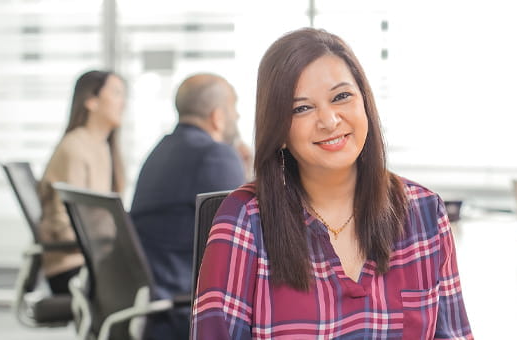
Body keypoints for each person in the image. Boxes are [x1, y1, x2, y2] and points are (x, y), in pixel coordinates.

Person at [192, 28, 473, 339]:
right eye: (301, 108)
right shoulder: (245, 220)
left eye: (341, 97)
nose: (329, 120)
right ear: (279, 129)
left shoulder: (423, 212)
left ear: (364, 102)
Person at [130, 74, 246, 339]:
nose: (237, 117)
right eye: (234, 108)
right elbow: (244, 240)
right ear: (218, 116)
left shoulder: (162, 149)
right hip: (178, 308)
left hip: (152, 298)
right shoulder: (216, 154)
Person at [37, 70, 126, 294]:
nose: (123, 103)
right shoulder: (75, 148)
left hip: (91, 259)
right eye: (116, 93)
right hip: (71, 266)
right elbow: (64, 224)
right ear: (91, 101)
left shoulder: (102, 147)